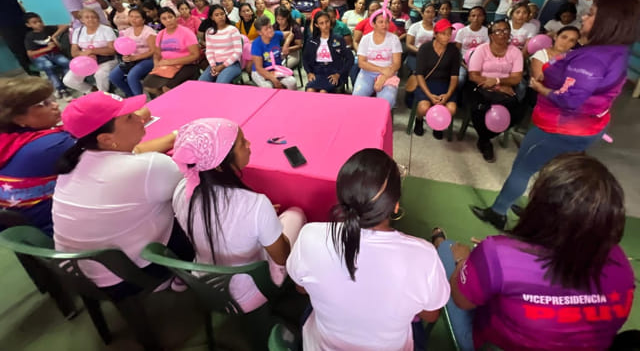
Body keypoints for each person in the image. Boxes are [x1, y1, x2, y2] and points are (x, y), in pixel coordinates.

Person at [472, 0, 640, 229]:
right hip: (586, 126)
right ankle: (534, 212)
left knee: (524, 168)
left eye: (591, 14)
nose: (583, 17)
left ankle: (498, 212)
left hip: (559, 128)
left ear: (609, 22)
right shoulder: (617, 51)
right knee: (549, 171)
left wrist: (541, 88)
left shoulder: (592, 60)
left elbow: (570, 100)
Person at [438, 153, 634, 351]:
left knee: (447, 249)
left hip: (492, 344)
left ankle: (439, 241)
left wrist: (464, 260)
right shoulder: (620, 261)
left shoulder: (496, 254)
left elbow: (461, 300)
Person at [287, 148, 450, 351]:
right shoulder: (424, 256)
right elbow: (431, 313)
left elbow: (301, 288)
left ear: (342, 199)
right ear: (396, 206)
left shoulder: (309, 236)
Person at [53, 92, 193, 297]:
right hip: (127, 277)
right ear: (107, 139)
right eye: (129, 117)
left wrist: (174, 136)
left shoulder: (77, 160)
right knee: (198, 212)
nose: (139, 118)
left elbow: (136, 151)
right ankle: (188, 272)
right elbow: (194, 189)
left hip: (79, 272)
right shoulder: (146, 167)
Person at [172, 117, 306, 312]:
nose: (249, 145)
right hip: (250, 291)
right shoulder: (256, 204)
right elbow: (282, 257)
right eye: (242, 143)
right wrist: (267, 223)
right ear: (219, 165)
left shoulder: (182, 190)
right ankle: (294, 284)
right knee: (296, 214)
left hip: (204, 283)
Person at [0, 77, 76, 235]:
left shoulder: (7, 140)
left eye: (52, 98)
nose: (55, 105)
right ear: (18, 118)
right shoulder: (52, 145)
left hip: (27, 234)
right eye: (43, 104)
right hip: (63, 232)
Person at [467, 19, 523, 163]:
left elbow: (516, 78)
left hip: (505, 89)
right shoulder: (482, 50)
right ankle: (485, 141)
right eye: (498, 31)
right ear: (491, 35)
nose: (503, 34)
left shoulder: (515, 52)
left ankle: (485, 137)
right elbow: (473, 75)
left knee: (516, 112)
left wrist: (498, 82)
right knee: (479, 108)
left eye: (506, 30)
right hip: (482, 88)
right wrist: (493, 84)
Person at [413, 20, 460, 139]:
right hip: (427, 83)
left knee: (451, 109)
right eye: (443, 33)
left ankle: (439, 124)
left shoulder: (454, 51)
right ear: (435, 34)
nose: (447, 36)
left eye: (449, 34)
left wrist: (448, 95)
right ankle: (418, 120)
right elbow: (419, 75)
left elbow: (454, 77)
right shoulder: (425, 48)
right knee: (424, 107)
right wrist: (429, 95)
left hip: (445, 85)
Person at [142, 8, 200, 97]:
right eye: (164, 18)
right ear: (160, 21)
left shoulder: (186, 33)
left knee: (167, 87)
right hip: (167, 65)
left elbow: (195, 55)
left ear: (175, 17)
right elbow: (157, 54)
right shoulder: (160, 34)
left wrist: (171, 62)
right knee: (148, 85)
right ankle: (166, 100)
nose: (168, 20)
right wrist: (156, 65)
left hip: (187, 65)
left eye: (170, 17)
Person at [352, 8, 402, 108]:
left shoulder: (394, 39)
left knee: (386, 101)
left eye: (387, 22)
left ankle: (380, 122)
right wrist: (381, 69)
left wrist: (383, 77)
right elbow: (362, 63)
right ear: (373, 24)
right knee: (357, 97)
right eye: (380, 22)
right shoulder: (366, 39)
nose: (384, 25)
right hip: (367, 73)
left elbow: (396, 64)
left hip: (389, 74)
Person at [63, 8, 117, 94]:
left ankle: (104, 95)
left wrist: (93, 51)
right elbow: (74, 53)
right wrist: (86, 54)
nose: (90, 19)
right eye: (87, 17)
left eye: (93, 17)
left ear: (98, 18)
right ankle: (92, 91)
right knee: (68, 80)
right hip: (85, 60)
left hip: (106, 59)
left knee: (100, 75)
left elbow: (112, 50)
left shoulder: (106, 30)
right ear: (82, 20)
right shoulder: (77, 31)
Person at [109, 8, 157, 97]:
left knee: (132, 76)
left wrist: (136, 58)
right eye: (131, 16)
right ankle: (131, 95)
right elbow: (124, 48)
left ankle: (139, 100)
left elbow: (153, 51)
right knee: (113, 76)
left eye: (137, 17)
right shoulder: (127, 32)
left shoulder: (148, 31)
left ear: (143, 20)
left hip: (148, 59)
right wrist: (125, 56)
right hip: (132, 59)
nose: (133, 19)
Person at [303, 11, 353, 93]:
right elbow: (305, 58)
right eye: (321, 23)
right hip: (317, 71)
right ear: (316, 25)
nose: (325, 25)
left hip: (333, 71)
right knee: (310, 91)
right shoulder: (311, 40)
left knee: (323, 92)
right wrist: (309, 72)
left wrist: (339, 74)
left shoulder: (338, 39)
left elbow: (350, 58)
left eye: (327, 22)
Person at [24, 12, 70, 99]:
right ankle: (61, 89)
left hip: (54, 54)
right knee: (48, 66)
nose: (39, 24)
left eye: (40, 21)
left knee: (67, 63)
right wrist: (47, 49)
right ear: (28, 25)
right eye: (35, 22)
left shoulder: (47, 29)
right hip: (40, 56)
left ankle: (63, 82)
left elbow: (64, 26)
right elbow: (30, 53)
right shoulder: (30, 36)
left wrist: (54, 36)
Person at [199, 4, 242, 84]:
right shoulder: (209, 32)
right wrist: (213, 66)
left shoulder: (233, 30)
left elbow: (238, 52)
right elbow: (209, 51)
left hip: (232, 64)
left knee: (220, 83)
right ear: (212, 18)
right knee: (201, 82)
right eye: (217, 15)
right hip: (215, 64)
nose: (220, 17)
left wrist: (223, 66)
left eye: (222, 14)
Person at [0, 0, 31, 72]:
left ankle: (33, 72)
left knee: (23, 47)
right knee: (21, 49)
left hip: (17, 19)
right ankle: (33, 73)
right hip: (9, 22)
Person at [251, 16, 297, 90]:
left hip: (276, 68)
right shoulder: (256, 44)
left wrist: (286, 44)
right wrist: (273, 79)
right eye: (266, 29)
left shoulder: (276, 35)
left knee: (292, 82)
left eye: (270, 27)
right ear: (259, 32)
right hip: (261, 71)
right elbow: (259, 68)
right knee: (268, 87)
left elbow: (290, 34)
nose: (270, 30)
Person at [454, 6, 489, 87]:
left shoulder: (487, 31)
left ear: (483, 17)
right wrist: (465, 66)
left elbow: (488, 51)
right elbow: (456, 52)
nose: (476, 18)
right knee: (460, 79)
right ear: (469, 18)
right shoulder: (462, 32)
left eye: (479, 15)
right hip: (463, 62)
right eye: (473, 16)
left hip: (482, 63)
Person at [405, 3, 436, 74]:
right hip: (416, 54)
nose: (430, 14)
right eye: (427, 12)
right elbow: (408, 44)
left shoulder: (437, 27)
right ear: (422, 14)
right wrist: (421, 51)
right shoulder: (414, 27)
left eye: (433, 12)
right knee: (418, 72)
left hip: (432, 55)